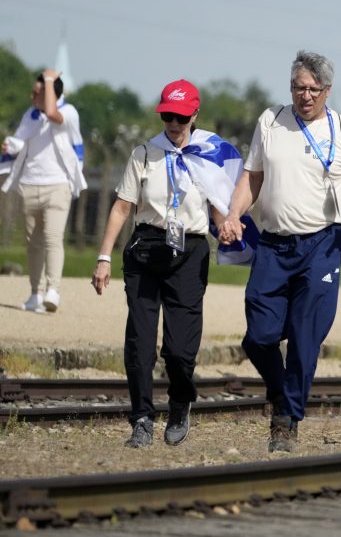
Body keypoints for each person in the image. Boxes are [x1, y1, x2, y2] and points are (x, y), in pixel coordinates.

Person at [219, 51, 341, 452]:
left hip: (321, 245)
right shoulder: (270, 121)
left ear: (327, 91)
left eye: (312, 89)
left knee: (306, 338)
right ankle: (280, 392)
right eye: (298, 87)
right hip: (273, 244)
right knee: (258, 337)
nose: (304, 96)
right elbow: (251, 177)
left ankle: (287, 420)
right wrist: (234, 214)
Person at [92, 79, 235, 448]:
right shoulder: (143, 153)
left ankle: (180, 402)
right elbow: (122, 207)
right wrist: (104, 258)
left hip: (190, 250)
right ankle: (141, 418)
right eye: (167, 115)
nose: (173, 123)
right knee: (140, 341)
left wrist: (229, 231)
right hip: (147, 247)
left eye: (181, 117)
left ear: (195, 115)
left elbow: (220, 211)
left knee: (179, 349)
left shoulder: (207, 154)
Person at [1, 69, 86, 313]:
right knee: (33, 243)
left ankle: (53, 290)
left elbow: (51, 113)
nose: (32, 96)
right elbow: (20, 140)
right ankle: (35, 293)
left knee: (52, 238)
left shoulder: (68, 113)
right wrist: (10, 145)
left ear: (52, 92)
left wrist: (49, 79)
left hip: (57, 185)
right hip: (29, 184)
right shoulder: (30, 115)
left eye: (37, 92)